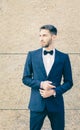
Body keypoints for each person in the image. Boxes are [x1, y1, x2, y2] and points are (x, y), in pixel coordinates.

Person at [22, 24, 73, 130]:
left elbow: (69, 82)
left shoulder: (63, 57)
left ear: (54, 37)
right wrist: (41, 84)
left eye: (44, 35)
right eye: (40, 35)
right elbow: (25, 78)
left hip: (56, 104)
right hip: (37, 104)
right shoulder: (32, 55)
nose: (41, 39)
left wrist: (54, 92)